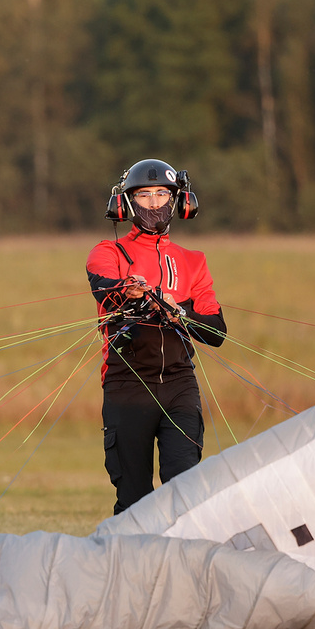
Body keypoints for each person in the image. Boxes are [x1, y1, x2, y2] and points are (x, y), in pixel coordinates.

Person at [86, 159, 227, 514]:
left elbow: (215, 331)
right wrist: (131, 292)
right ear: (126, 204)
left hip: (180, 385)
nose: (154, 202)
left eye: (162, 193)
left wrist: (176, 309)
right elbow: (105, 290)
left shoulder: (194, 261)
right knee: (135, 502)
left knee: (184, 493)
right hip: (127, 385)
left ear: (180, 201)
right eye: (144, 195)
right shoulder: (108, 252)